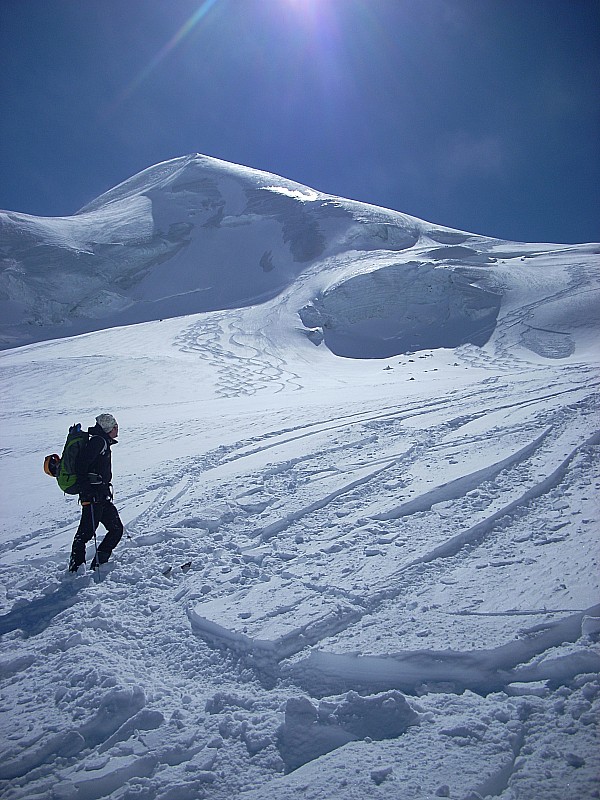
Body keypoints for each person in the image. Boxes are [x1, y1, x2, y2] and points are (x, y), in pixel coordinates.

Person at [68, 413, 124, 572]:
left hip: (101, 496)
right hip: (93, 497)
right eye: (115, 427)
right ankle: (76, 567)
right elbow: (81, 466)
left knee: (116, 529)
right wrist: (88, 491)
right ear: (109, 428)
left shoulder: (102, 441)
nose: (117, 429)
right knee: (85, 533)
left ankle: (99, 563)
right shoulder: (98, 442)